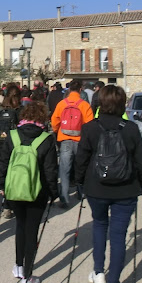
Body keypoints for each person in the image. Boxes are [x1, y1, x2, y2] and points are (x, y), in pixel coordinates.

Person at [74, 85, 142, 283]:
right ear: (122, 104)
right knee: (118, 235)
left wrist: (80, 182)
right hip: (126, 190)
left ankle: (99, 272)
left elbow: (81, 160)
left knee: (99, 226)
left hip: (96, 188)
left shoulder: (90, 128)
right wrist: (139, 184)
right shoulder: (131, 129)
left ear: (100, 102)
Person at [0, 101, 58, 283]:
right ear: (42, 118)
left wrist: (1, 185)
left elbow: (3, 162)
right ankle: (27, 277)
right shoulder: (46, 139)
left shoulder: (12, 136)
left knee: (20, 226)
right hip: (37, 192)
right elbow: (50, 170)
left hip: (14, 190)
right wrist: (53, 192)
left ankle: (18, 265)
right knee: (32, 231)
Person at [50, 79, 93, 208]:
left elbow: (54, 121)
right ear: (80, 90)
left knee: (64, 169)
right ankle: (81, 192)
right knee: (81, 167)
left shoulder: (62, 104)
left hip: (65, 139)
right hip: (80, 140)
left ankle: (64, 197)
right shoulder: (84, 105)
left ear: (69, 90)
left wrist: (58, 132)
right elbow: (89, 124)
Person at [0, 83, 22, 218]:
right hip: (16, 144)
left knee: (6, 174)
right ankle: (17, 201)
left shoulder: (1, 109)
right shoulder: (19, 110)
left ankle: (6, 205)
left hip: (2, 145)